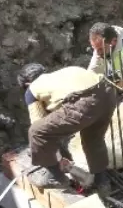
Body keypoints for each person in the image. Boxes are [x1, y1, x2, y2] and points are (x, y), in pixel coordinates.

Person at [17, 63, 116, 192]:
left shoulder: (32, 90)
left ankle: (55, 177)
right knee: (93, 139)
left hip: (84, 101)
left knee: (36, 131)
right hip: (107, 93)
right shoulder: (65, 72)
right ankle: (102, 182)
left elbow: (40, 127)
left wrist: (50, 158)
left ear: (27, 84)